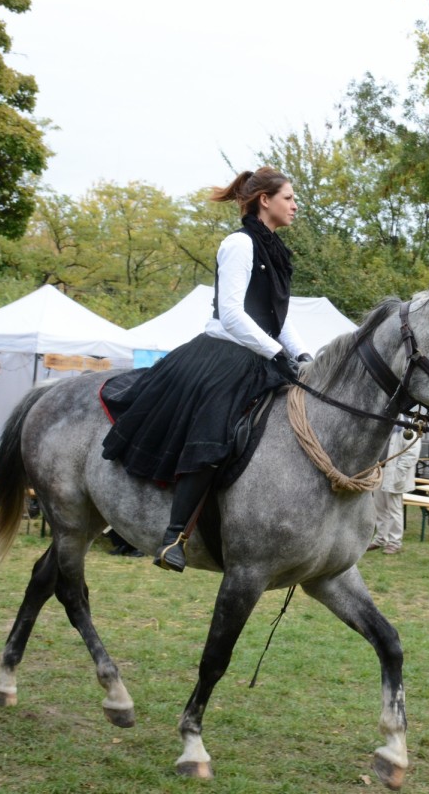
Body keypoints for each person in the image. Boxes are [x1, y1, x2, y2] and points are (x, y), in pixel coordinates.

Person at [101, 167, 312, 573]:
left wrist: (302, 355)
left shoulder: (276, 250)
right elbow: (232, 314)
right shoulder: (239, 243)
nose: (295, 204)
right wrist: (275, 353)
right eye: (288, 197)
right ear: (264, 200)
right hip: (222, 356)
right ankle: (174, 536)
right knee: (214, 434)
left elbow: (278, 316)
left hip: (261, 358)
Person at [368, 427, 422, 554]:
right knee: (379, 507)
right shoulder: (386, 425)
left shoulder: (408, 428)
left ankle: (394, 542)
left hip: (395, 472)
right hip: (379, 470)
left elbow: (412, 453)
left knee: (394, 509)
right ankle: (380, 538)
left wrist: (400, 471)